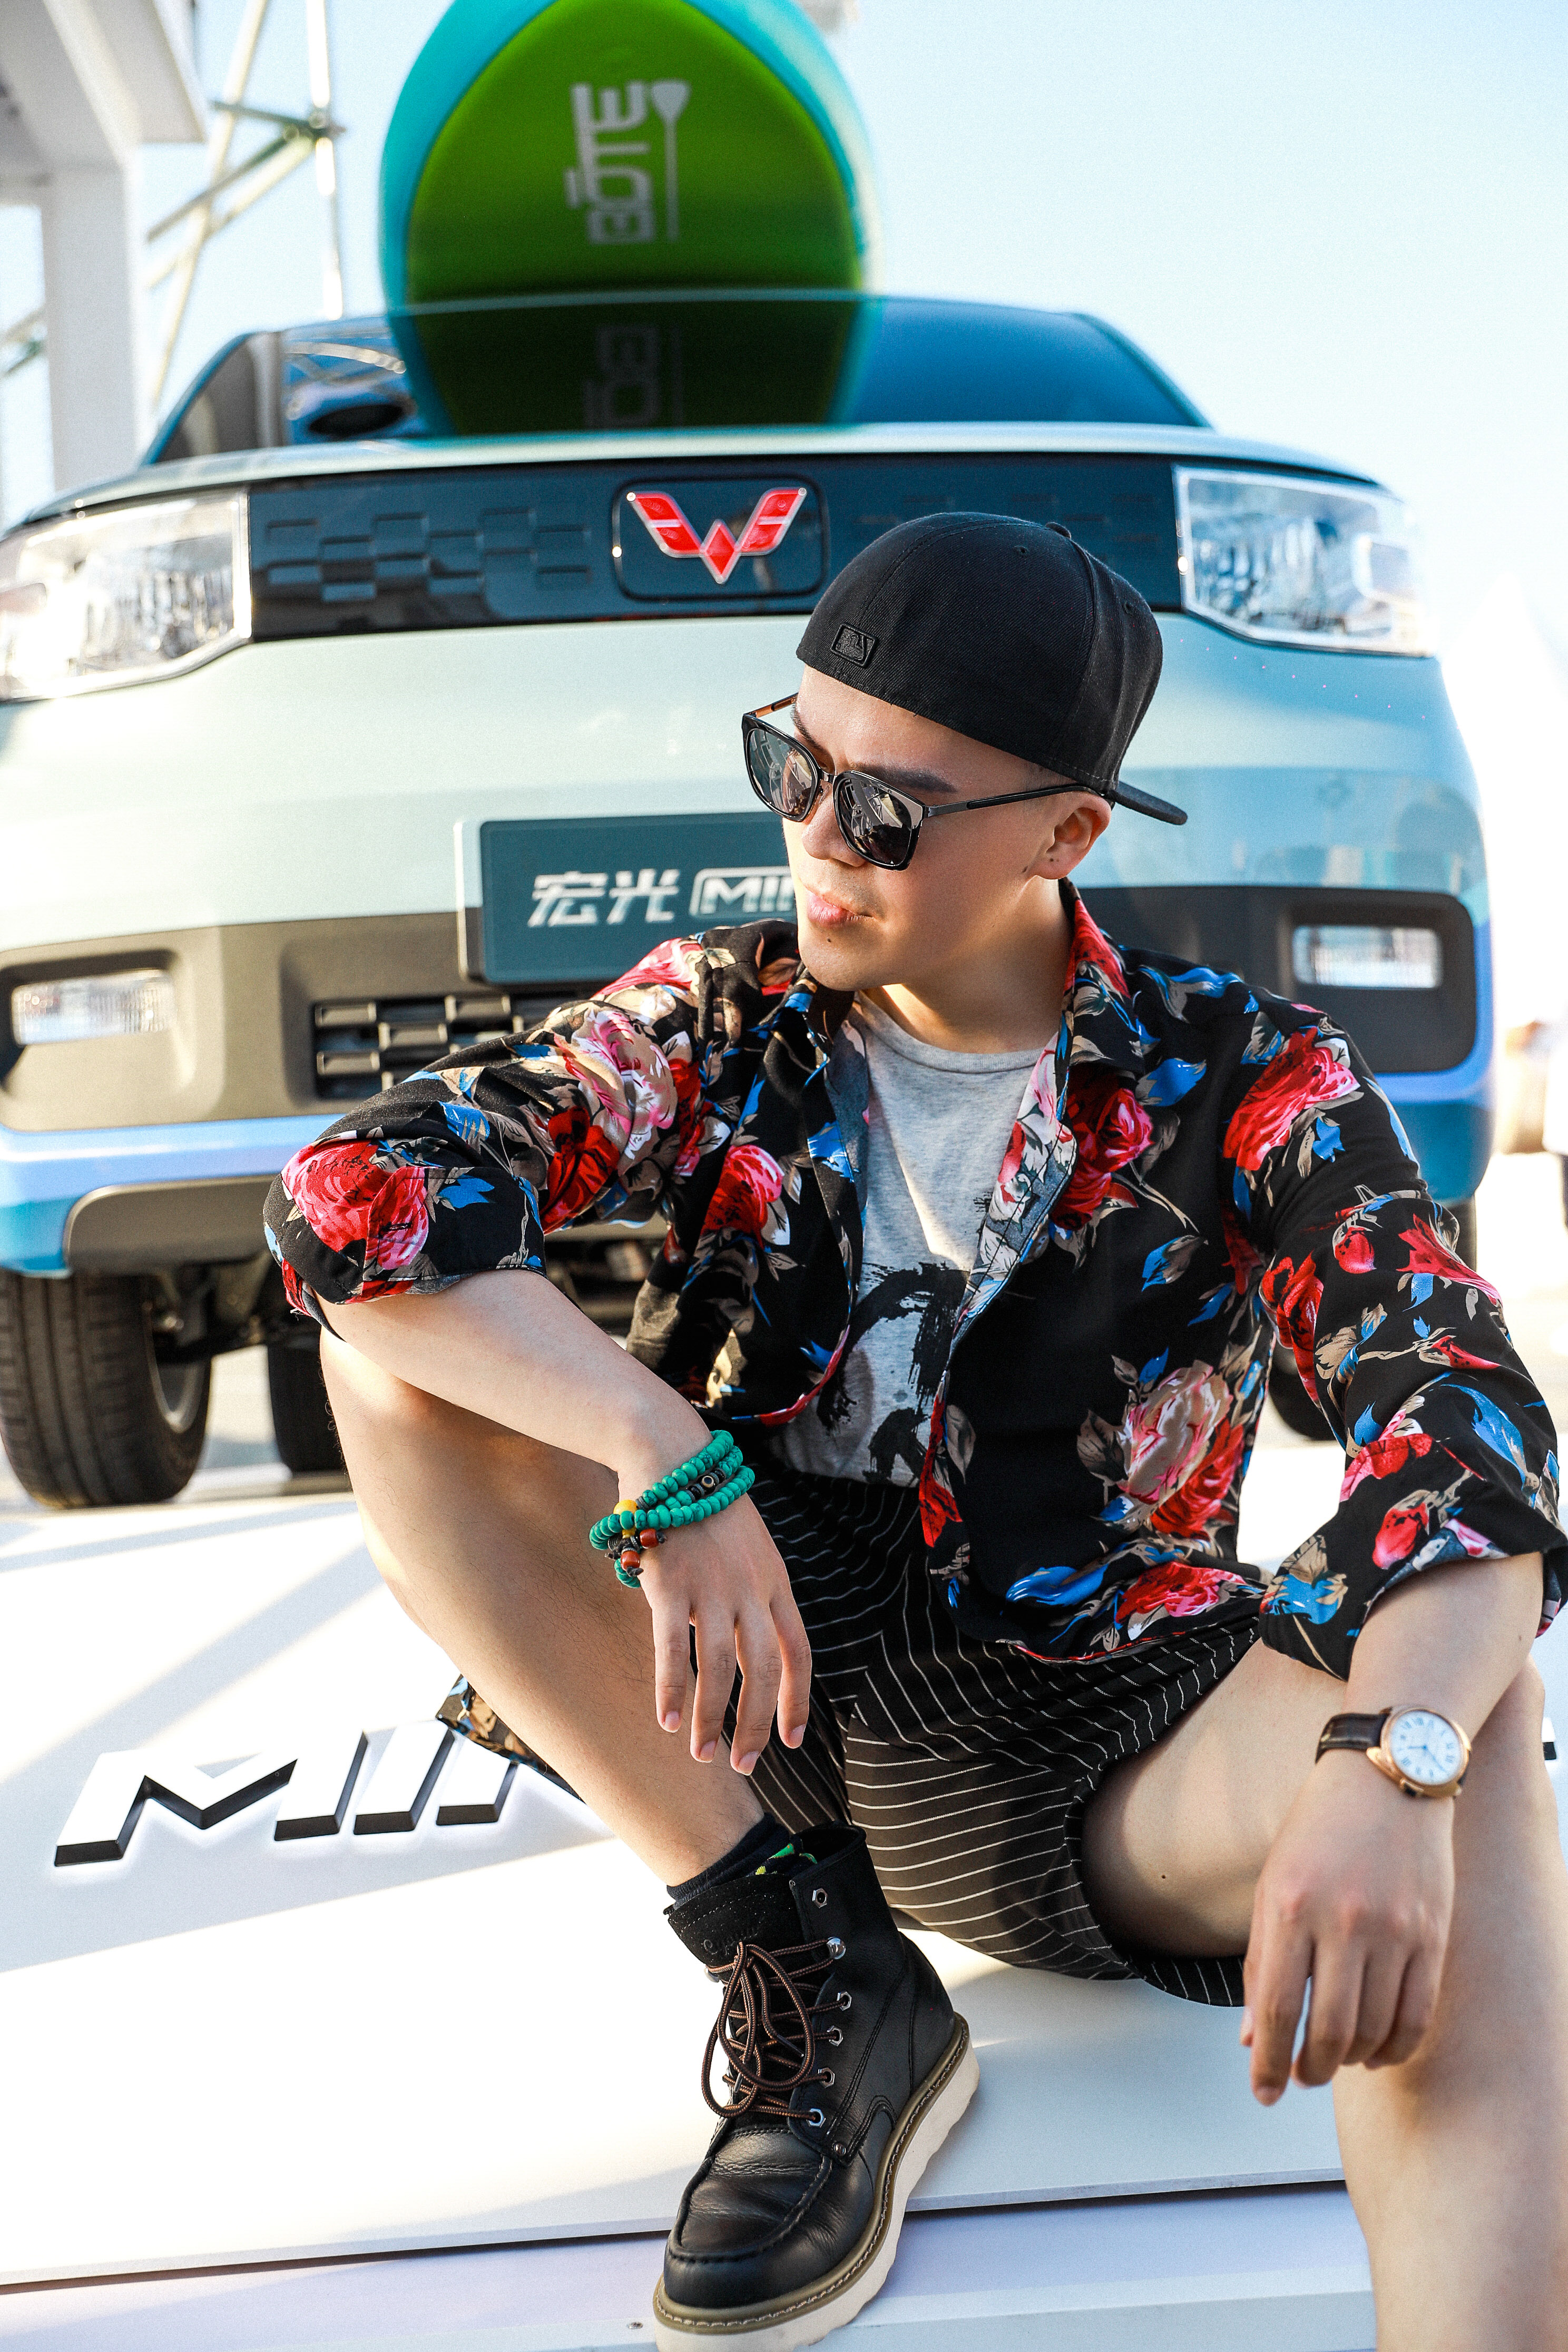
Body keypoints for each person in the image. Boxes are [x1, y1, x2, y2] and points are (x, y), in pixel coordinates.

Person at [264, 516, 1568, 2352]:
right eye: (792, 766)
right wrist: (658, 1445)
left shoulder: (1242, 1070)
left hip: (1085, 1743)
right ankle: (808, 1974)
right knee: (388, 1347)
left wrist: (1387, 1764)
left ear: (1064, 833)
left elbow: (1461, 1415)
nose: (818, 835)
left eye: (885, 810)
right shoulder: (722, 1016)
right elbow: (353, 1198)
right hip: (746, 1700)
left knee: (1463, 1733)